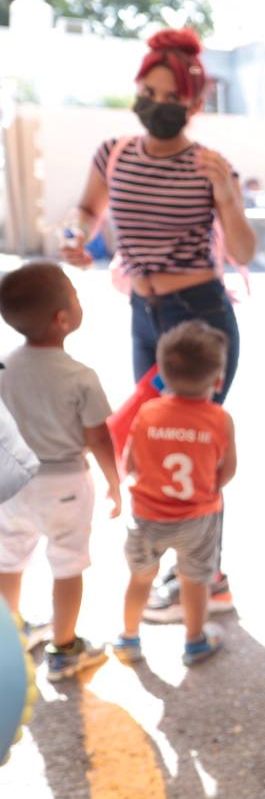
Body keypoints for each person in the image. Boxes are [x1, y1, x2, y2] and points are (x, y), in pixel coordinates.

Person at [63, 27, 253, 622]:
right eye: (148, 90)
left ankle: (207, 575)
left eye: (171, 96)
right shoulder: (113, 152)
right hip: (142, 315)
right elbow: (88, 210)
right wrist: (76, 238)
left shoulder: (210, 165)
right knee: (154, 434)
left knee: (196, 442)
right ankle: (189, 567)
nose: (156, 103)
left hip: (199, 317)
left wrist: (225, 193)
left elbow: (242, 250)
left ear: (194, 105)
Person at [0, 262, 119, 680]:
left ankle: (9, 642)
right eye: (74, 293)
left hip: (11, 483)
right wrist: (114, 482)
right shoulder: (80, 376)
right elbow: (99, 438)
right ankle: (64, 649)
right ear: (62, 318)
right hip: (65, 485)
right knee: (67, 565)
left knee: (8, 560)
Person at [112, 321, 234, 666]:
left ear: (162, 374)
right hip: (197, 517)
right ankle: (194, 642)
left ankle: (129, 638)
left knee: (140, 578)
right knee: (194, 582)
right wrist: (209, 488)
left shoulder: (148, 412)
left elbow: (130, 463)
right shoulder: (219, 419)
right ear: (217, 379)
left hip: (147, 515)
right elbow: (228, 471)